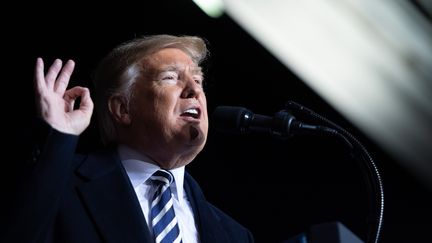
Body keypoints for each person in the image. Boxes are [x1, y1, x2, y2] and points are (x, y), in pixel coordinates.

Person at [5, 34, 254, 243]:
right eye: (170, 77)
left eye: (198, 80)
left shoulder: (236, 236)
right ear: (123, 109)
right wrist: (57, 138)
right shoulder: (62, 182)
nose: (194, 89)